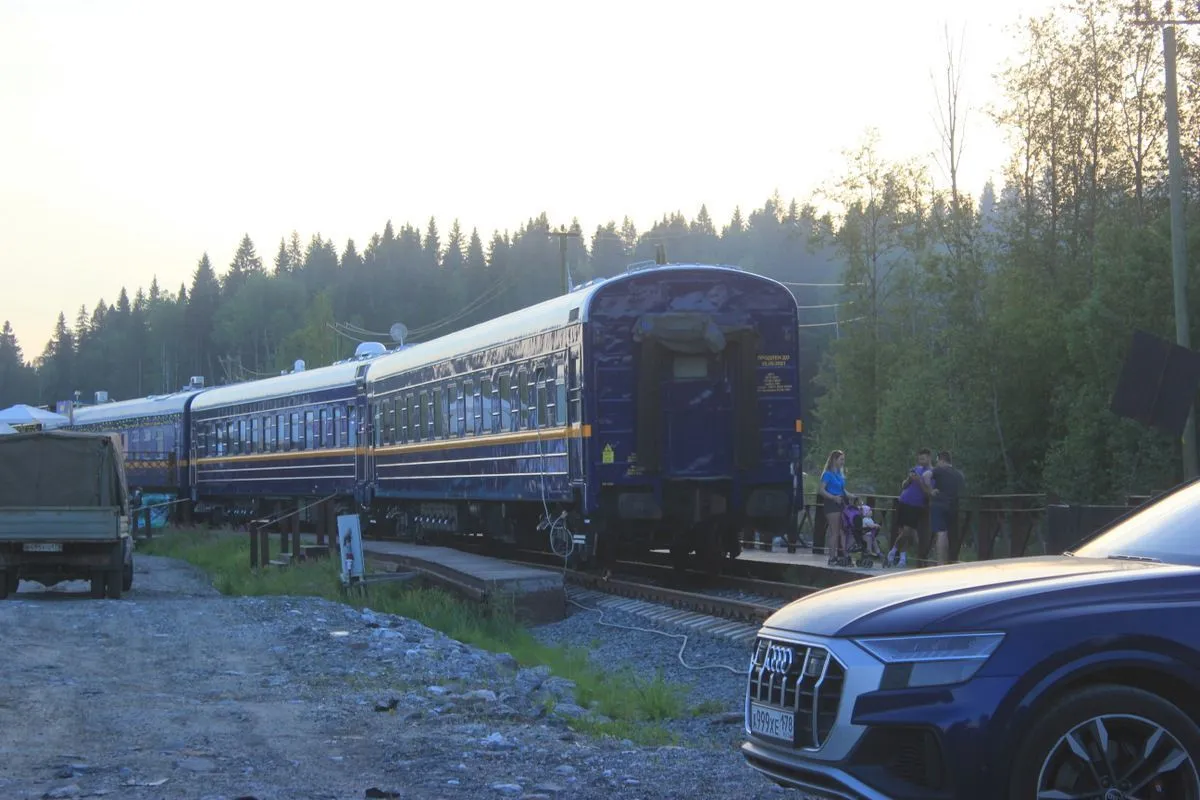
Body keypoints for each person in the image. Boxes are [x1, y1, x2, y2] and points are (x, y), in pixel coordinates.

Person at [889, 448, 933, 567]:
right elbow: (904, 485)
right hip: (904, 501)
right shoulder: (915, 469)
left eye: (923, 458)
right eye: (919, 459)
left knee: (908, 532)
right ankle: (901, 557)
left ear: (929, 458)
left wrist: (919, 481)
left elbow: (928, 492)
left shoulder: (931, 473)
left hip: (917, 505)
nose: (921, 461)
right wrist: (909, 479)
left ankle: (893, 551)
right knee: (904, 531)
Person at [930, 450, 965, 566]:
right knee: (953, 534)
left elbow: (925, 475)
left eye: (937, 461)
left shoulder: (939, 470)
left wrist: (930, 490)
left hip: (940, 503)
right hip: (954, 505)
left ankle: (941, 563)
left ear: (941, 460)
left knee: (941, 533)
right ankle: (953, 561)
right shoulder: (958, 474)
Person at [820, 450, 850, 561]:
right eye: (841, 459)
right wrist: (833, 497)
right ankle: (832, 557)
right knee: (835, 531)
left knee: (844, 530)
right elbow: (821, 490)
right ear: (834, 460)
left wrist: (852, 496)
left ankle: (844, 555)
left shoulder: (839, 474)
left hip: (841, 502)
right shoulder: (827, 474)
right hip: (832, 503)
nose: (843, 462)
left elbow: (842, 489)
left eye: (843, 459)